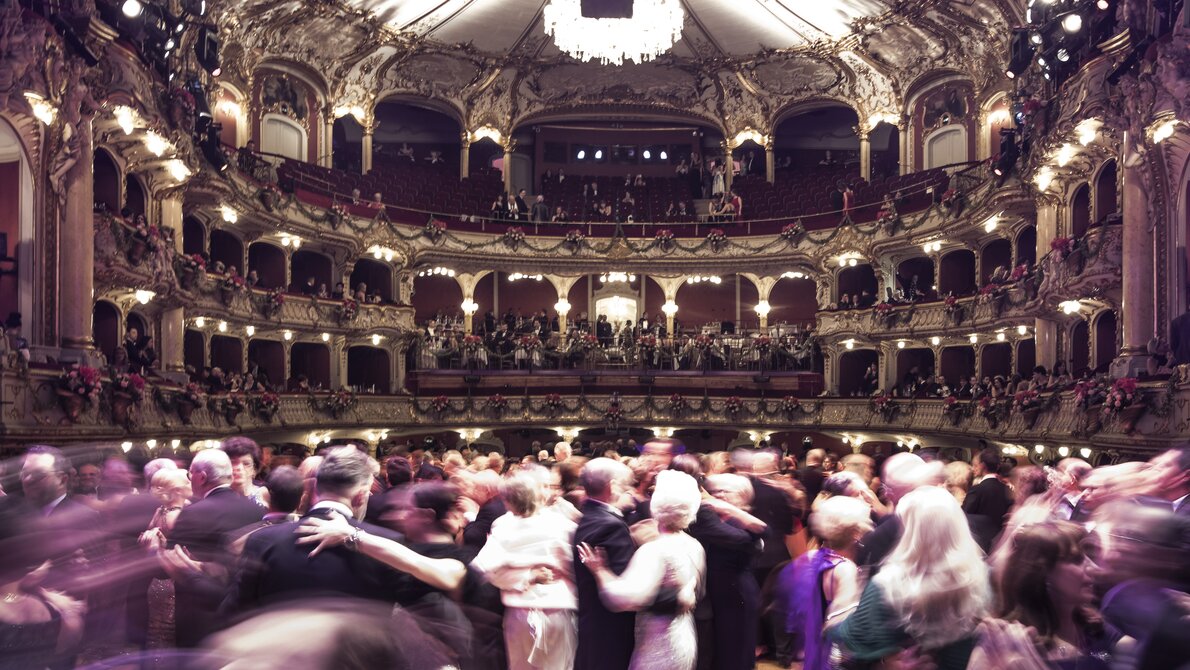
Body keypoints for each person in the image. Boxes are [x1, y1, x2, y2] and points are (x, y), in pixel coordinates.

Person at [828, 486, 990, 670]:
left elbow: (850, 649)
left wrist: (835, 622)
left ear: (911, 532)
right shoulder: (984, 578)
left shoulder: (888, 585)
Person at [578, 470, 706, 670]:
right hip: (684, 635)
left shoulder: (654, 550)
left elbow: (622, 599)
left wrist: (600, 571)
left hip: (657, 642)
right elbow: (699, 591)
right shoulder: (695, 545)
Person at [472, 467, 579, 670]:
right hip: (548, 612)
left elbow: (481, 568)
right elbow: (575, 570)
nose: (551, 492)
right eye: (545, 486)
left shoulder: (503, 526)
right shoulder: (563, 526)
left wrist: (524, 576)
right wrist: (529, 576)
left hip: (525, 613)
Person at [970, 521, 1114, 670]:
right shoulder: (1007, 642)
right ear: (1043, 573)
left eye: (1089, 556)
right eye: (1077, 560)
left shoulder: (1093, 626)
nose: (1093, 568)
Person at [166, 449, 264, 647]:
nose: (189, 478)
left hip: (200, 612)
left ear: (201, 477)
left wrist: (154, 549)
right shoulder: (255, 509)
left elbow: (170, 564)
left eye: (190, 473)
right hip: (242, 608)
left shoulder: (194, 513)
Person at [783, 495, 873, 670]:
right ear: (856, 533)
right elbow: (844, 626)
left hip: (810, 651)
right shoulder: (845, 569)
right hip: (831, 657)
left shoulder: (809, 558)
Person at [572, 458, 637, 670]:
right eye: (628, 487)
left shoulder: (590, 516)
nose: (632, 493)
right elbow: (624, 589)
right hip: (610, 626)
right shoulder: (610, 526)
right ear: (613, 487)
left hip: (593, 621)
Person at [137, 468, 191, 663]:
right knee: (168, 633)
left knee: (157, 632)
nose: (190, 484)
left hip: (156, 582)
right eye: (186, 481)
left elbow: (147, 538)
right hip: (170, 582)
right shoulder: (177, 516)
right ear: (177, 490)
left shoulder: (160, 511)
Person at [963, 448, 1013, 553]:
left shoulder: (977, 490)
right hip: (1000, 543)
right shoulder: (1007, 489)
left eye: (975, 465)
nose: (973, 468)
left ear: (982, 465)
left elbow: (964, 517)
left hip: (978, 544)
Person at [222, 437, 268, 507]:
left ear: (254, 469)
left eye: (246, 463)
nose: (239, 468)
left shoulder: (264, 495)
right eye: (233, 462)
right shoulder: (218, 497)